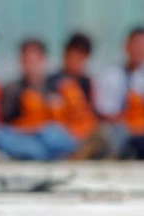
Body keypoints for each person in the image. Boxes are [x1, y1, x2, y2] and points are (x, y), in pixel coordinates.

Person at [46, 33, 104, 159]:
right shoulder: (53, 81)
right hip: (63, 134)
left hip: (84, 133)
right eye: (73, 55)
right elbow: (53, 117)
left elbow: (92, 113)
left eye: (81, 57)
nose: (76, 61)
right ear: (65, 54)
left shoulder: (87, 82)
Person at [95, 27, 144, 158]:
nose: (138, 50)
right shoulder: (110, 74)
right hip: (117, 128)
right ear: (126, 46)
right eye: (136, 44)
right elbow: (102, 110)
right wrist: (128, 118)